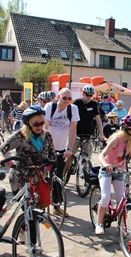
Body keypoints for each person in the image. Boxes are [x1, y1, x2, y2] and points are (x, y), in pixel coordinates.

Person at [95, 115, 131, 235]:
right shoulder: (116, 140)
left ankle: (121, 226)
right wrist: (106, 164)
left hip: (120, 172)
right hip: (106, 171)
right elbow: (101, 155)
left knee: (121, 200)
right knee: (105, 197)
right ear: (126, 129)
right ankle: (99, 224)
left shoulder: (129, 141)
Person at [0, 106, 55, 195]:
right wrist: (3, 160)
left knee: (40, 205)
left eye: (42, 123)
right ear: (28, 123)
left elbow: (52, 155)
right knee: (26, 205)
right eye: (36, 124)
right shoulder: (20, 135)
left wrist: (49, 165)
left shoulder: (47, 135)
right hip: (20, 177)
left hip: (39, 177)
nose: (40, 127)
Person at [44, 88, 80, 216]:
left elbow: (73, 130)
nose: (66, 101)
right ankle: (39, 204)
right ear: (58, 97)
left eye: (69, 99)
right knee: (41, 177)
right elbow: (45, 126)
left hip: (60, 149)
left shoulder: (73, 109)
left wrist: (69, 149)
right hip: (47, 148)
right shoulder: (50, 107)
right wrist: (44, 146)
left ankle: (56, 205)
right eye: (64, 98)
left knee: (58, 178)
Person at [64, 85, 104, 172]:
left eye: (91, 95)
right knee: (69, 156)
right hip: (76, 134)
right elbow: (69, 117)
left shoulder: (93, 104)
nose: (89, 97)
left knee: (87, 158)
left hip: (88, 135)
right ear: (83, 94)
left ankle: (86, 177)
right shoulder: (77, 102)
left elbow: (98, 120)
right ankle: (63, 174)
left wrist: (101, 134)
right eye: (87, 95)